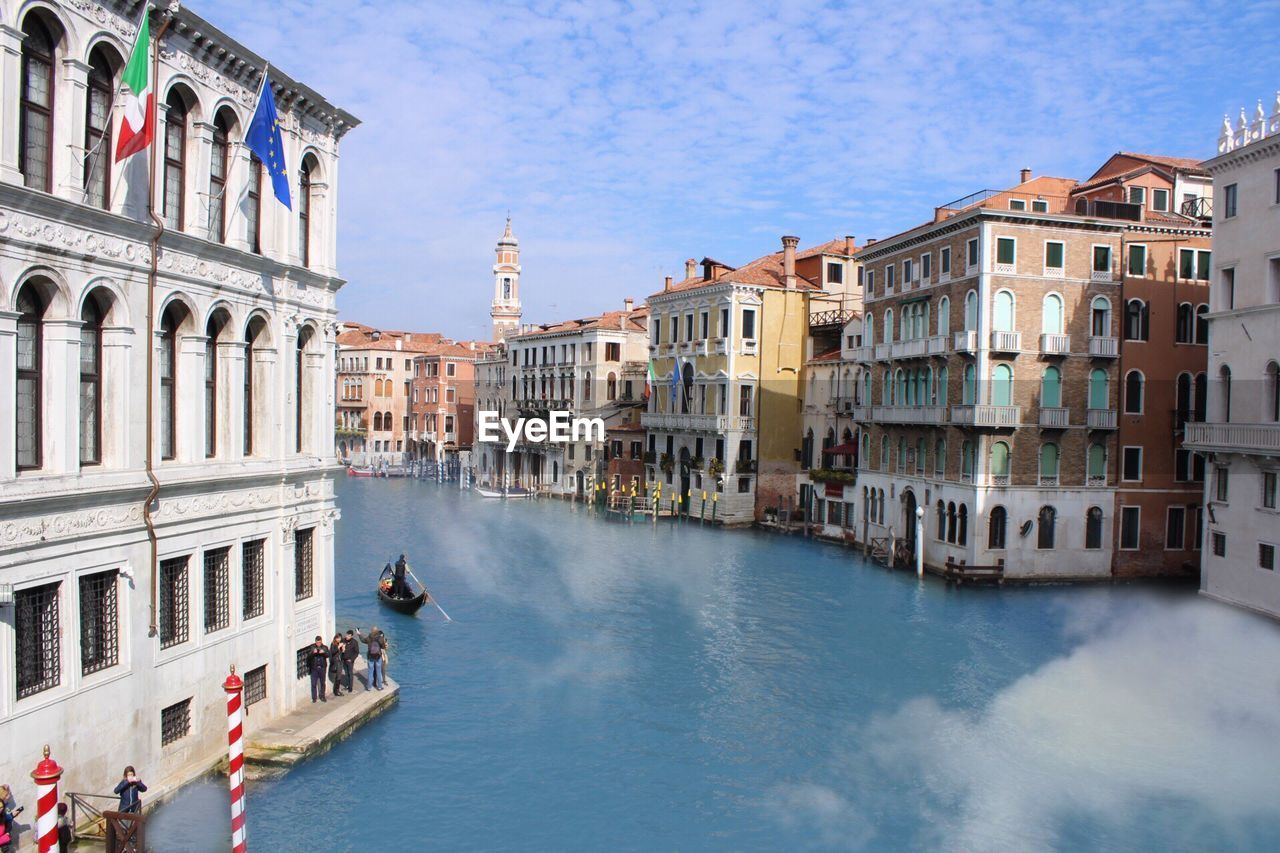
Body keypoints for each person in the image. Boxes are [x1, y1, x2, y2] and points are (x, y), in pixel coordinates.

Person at [355, 626, 387, 690]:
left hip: (370, 657)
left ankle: (369, 687)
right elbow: (383, 647)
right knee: (378, 672)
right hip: (378, 657)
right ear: (377, 631)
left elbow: (363, 640)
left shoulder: (369, 637)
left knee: (370, 672)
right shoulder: (380, 638)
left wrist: (359, 634)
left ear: (371, 630)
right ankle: (379, 687)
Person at [306, 635, 329, 703]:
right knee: (313, 683)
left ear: (321, 642)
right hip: (314, 668)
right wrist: (313, 653)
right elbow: (308, 657)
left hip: (322, 667)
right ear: (315, 642)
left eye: (319, 642)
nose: (318, 644)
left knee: (322, 683)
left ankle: (322, 696)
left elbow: (328, 655)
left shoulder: (325, 647)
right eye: (317, 642)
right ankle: (314, 697)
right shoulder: (312, 647)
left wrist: (324, 653)